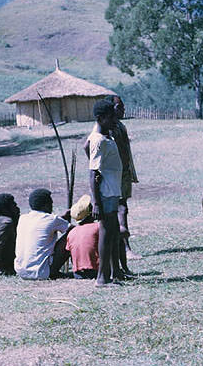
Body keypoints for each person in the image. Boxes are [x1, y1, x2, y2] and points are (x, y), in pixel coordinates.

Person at [88, 98, 123, 287]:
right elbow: (92, 172)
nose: (114, 120)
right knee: (106, 232)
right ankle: (102, 277)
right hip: (106, 193)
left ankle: (111, 273)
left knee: (111, 232)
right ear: (100, 118)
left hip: (112, 190)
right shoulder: (98, 140)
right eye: (111, 118)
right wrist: (95, 202)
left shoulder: (106, 137)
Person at [14, 189, 71, 280]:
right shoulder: (52, 219)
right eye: (51, 203)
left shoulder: (23, 218)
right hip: (41, 272)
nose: (52, 206)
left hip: (21, 272)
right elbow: (75, 230)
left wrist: (61, 219)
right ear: (46, 205)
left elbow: (43, 223)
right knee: (72, 236)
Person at [110, 96, 141, 265]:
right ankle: (125, 248)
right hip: (113, 176)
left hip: (123, 173)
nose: (123, 110)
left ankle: (124, 247)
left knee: (123, 207)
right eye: (119, 107)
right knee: (120, 209)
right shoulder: (107, 130)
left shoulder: (120, 126)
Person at [65, 195, 100, 279]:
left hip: (78, 274)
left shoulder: (71, 232)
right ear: (91, 213)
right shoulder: (98, 227)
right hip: (96, 272)